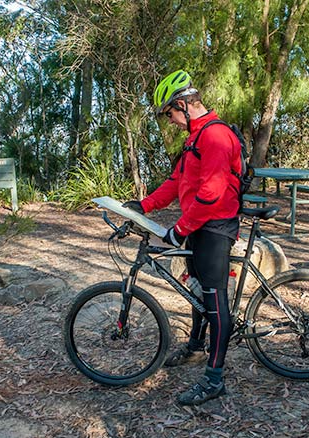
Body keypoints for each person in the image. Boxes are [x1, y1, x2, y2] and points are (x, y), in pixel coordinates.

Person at [122, 69, 242, 406]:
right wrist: (142, 205)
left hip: (215, 228)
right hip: (200, 227)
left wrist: (180, 229)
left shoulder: (215, 137)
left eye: (170, 112)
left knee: (215, 303)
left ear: (184, 105)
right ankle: (194, 348)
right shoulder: (194, 138)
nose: (171, 120)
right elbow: (176, 184)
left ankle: (214, 380)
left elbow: (212, 194)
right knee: (197, 291)